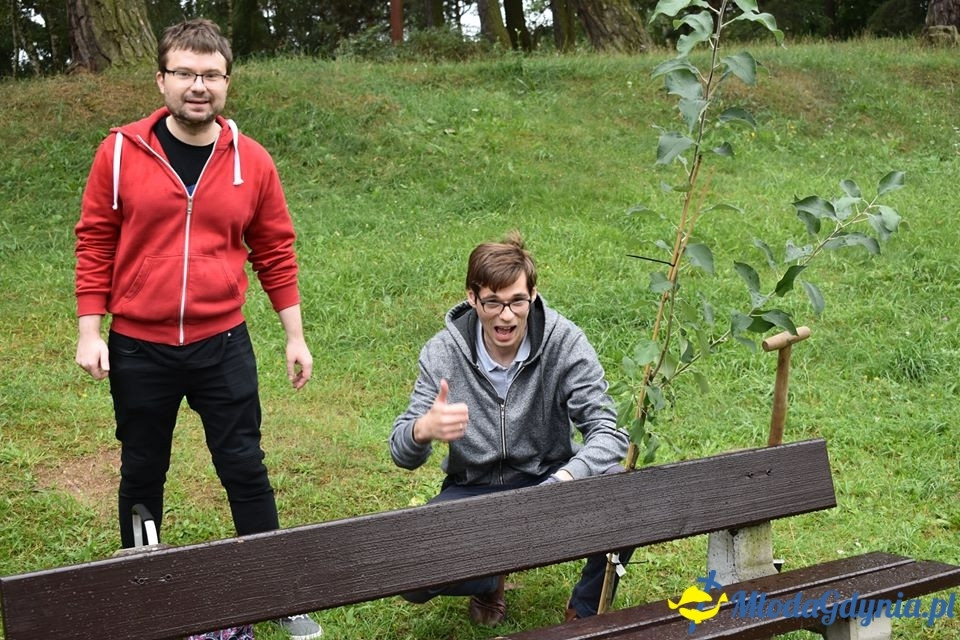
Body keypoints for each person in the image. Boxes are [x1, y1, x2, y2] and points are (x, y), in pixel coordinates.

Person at [74, 18, 322, 640]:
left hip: (223, 343)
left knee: (244, 465)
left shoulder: (251, 161)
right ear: (161, 80)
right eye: (184, 73)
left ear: (226, 83)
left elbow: (275, 249)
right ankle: (143, 592)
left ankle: (275, 593)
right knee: (142, 467)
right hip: (139, 345)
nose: (197, 86)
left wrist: (294, 335)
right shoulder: (120, 152)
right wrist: (90, 329)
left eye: (210, 75)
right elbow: (95, 241)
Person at [389, 232, 632, 626]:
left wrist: (567, 478)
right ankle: (488, 576)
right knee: (409, 573)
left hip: (548, 479)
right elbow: (400, 452)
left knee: (623, 492)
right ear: (472, 297)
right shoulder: (442, 352)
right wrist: (422, 429)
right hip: (474, 488)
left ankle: (585, 611)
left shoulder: (564, 342)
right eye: (493, 303)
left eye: (517, 301)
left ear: (532, 294)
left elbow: (608, 430)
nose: (506, 316)